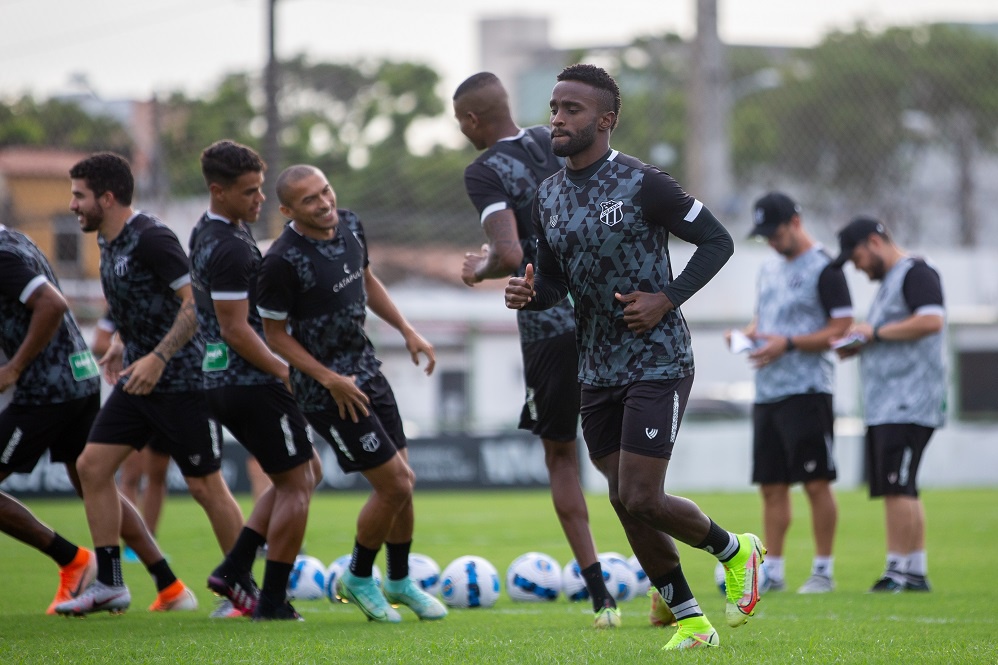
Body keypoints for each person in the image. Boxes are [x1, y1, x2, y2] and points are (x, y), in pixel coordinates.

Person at [504, 64, 762, 651]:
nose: (558, 119)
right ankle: (693, 621)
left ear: (605, 120)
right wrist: (530, 292)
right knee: (624, 501)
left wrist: (666, 298)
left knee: (643, 494)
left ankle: (736, 551)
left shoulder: (645, 183)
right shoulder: (545, 195)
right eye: (554, 107)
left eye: (572, 109)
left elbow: (718, 240)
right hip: (594, 367)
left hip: (659, 359)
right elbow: (550, 281)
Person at [453, 71, 617, 627]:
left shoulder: (485, 170)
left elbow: (509, 251)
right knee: (621, 455)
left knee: (561, 454)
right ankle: (665, 582)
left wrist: (478, 269)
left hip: (548, 322)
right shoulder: (559, 141)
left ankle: (601, 597)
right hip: (607, 313)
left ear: (473, 120)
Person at [55, 152, 245, 615]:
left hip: (182, 380)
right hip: (138, 379)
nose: (73, 205)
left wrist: (159, 357)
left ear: (108, 196)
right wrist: (122, 341)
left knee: (205, 487)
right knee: (92, 467)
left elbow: (194, 305)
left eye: (79, 196)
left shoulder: (152, 237)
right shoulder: (107, 241)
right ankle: (112, 584)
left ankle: (246, 590)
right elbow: (138, 302)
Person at [257, 164, 446, 623]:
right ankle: (359, 577)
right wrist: (329, 378)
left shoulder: (352, 224)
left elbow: (367, 279)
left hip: (367, 371)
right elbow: (274, 335)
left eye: (325, 192)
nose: (324, 204)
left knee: (405, 482)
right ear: (287, 210)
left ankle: (398, 581)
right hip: (329, 391)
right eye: (309, 200)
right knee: (395, 484)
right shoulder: (281, 261)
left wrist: (406, 330)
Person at [190, 140, 322, 621]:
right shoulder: (227, 248)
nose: (259, 199)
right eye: (248, 192)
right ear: (218, 191)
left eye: (261, 189)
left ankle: (235, 566)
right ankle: (270, 601)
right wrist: (286, 369)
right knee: (296, 485)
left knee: (305, 475)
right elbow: (235, 328)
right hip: (248, 381)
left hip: (224, 381)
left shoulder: (207, 231)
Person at [729, 192, 853, 594]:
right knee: (771, 485)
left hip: (807, 390)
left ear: (795, 223)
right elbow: (764, 321)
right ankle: (775, 571)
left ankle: (823, 570)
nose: (771, 241)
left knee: (816, 482)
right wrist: (745, 337)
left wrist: (790, 344)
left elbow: (842, 329)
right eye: (764, 235)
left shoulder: (826, 268)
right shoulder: (767, 269)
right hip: (767, 392)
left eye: (775, 232)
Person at [830, 217, 946, 593]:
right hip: (889, 403)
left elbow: (931, 320)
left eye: (858, 256)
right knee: (904, 486)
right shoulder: (892, 283)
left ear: (875, 242)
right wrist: (862, 343)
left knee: (897, 486)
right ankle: (914, 571)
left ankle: (896, 572)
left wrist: (875, 332)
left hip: (908, 400)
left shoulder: (916, 272)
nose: (858, 267)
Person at [0, 224, 99, 614]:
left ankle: (73, 560)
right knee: (94, 485)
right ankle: (168, 583)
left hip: (47, 390)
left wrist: (14, 367)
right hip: (76, 379)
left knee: (94, 484)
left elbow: (52, 303)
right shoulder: (16, 239)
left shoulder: (2, 254)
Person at [93, 311, 172, 564]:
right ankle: (131, 544)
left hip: (167, 391)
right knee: (131, 474)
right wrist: (134, 347)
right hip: (134, 391)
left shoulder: (168, 303)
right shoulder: (122, 301)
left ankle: (150, 539)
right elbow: (98, 342)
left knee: (158, 474)